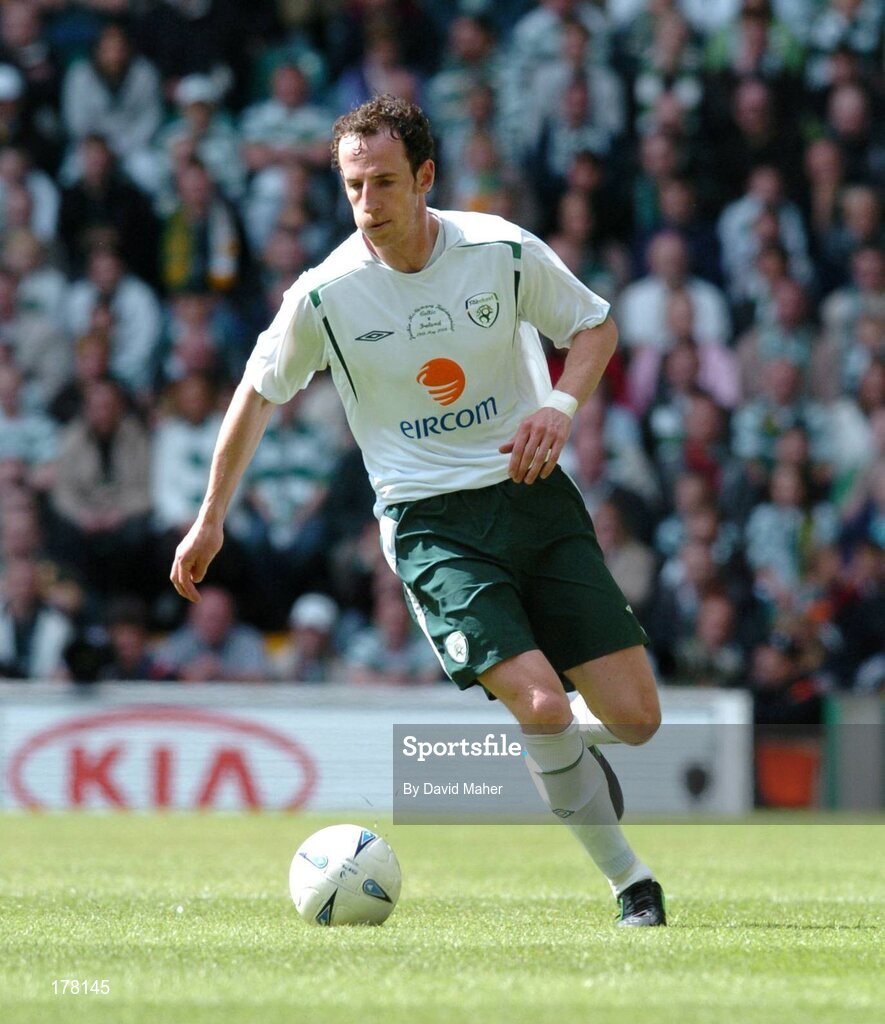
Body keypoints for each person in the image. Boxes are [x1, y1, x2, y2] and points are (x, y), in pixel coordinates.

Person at [170, 96, 666, 927]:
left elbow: (595, 328)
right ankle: (632, 885)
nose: (368, 204)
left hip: (534, 496)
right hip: (431, 521)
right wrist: (210, 514)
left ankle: (555, 760)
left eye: (385, 183)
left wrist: (562, 408)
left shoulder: (501, 251)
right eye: (354, 186)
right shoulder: (323, 296)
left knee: (640, 720)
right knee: (543, 705)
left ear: (425, 178)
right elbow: (254, 398)